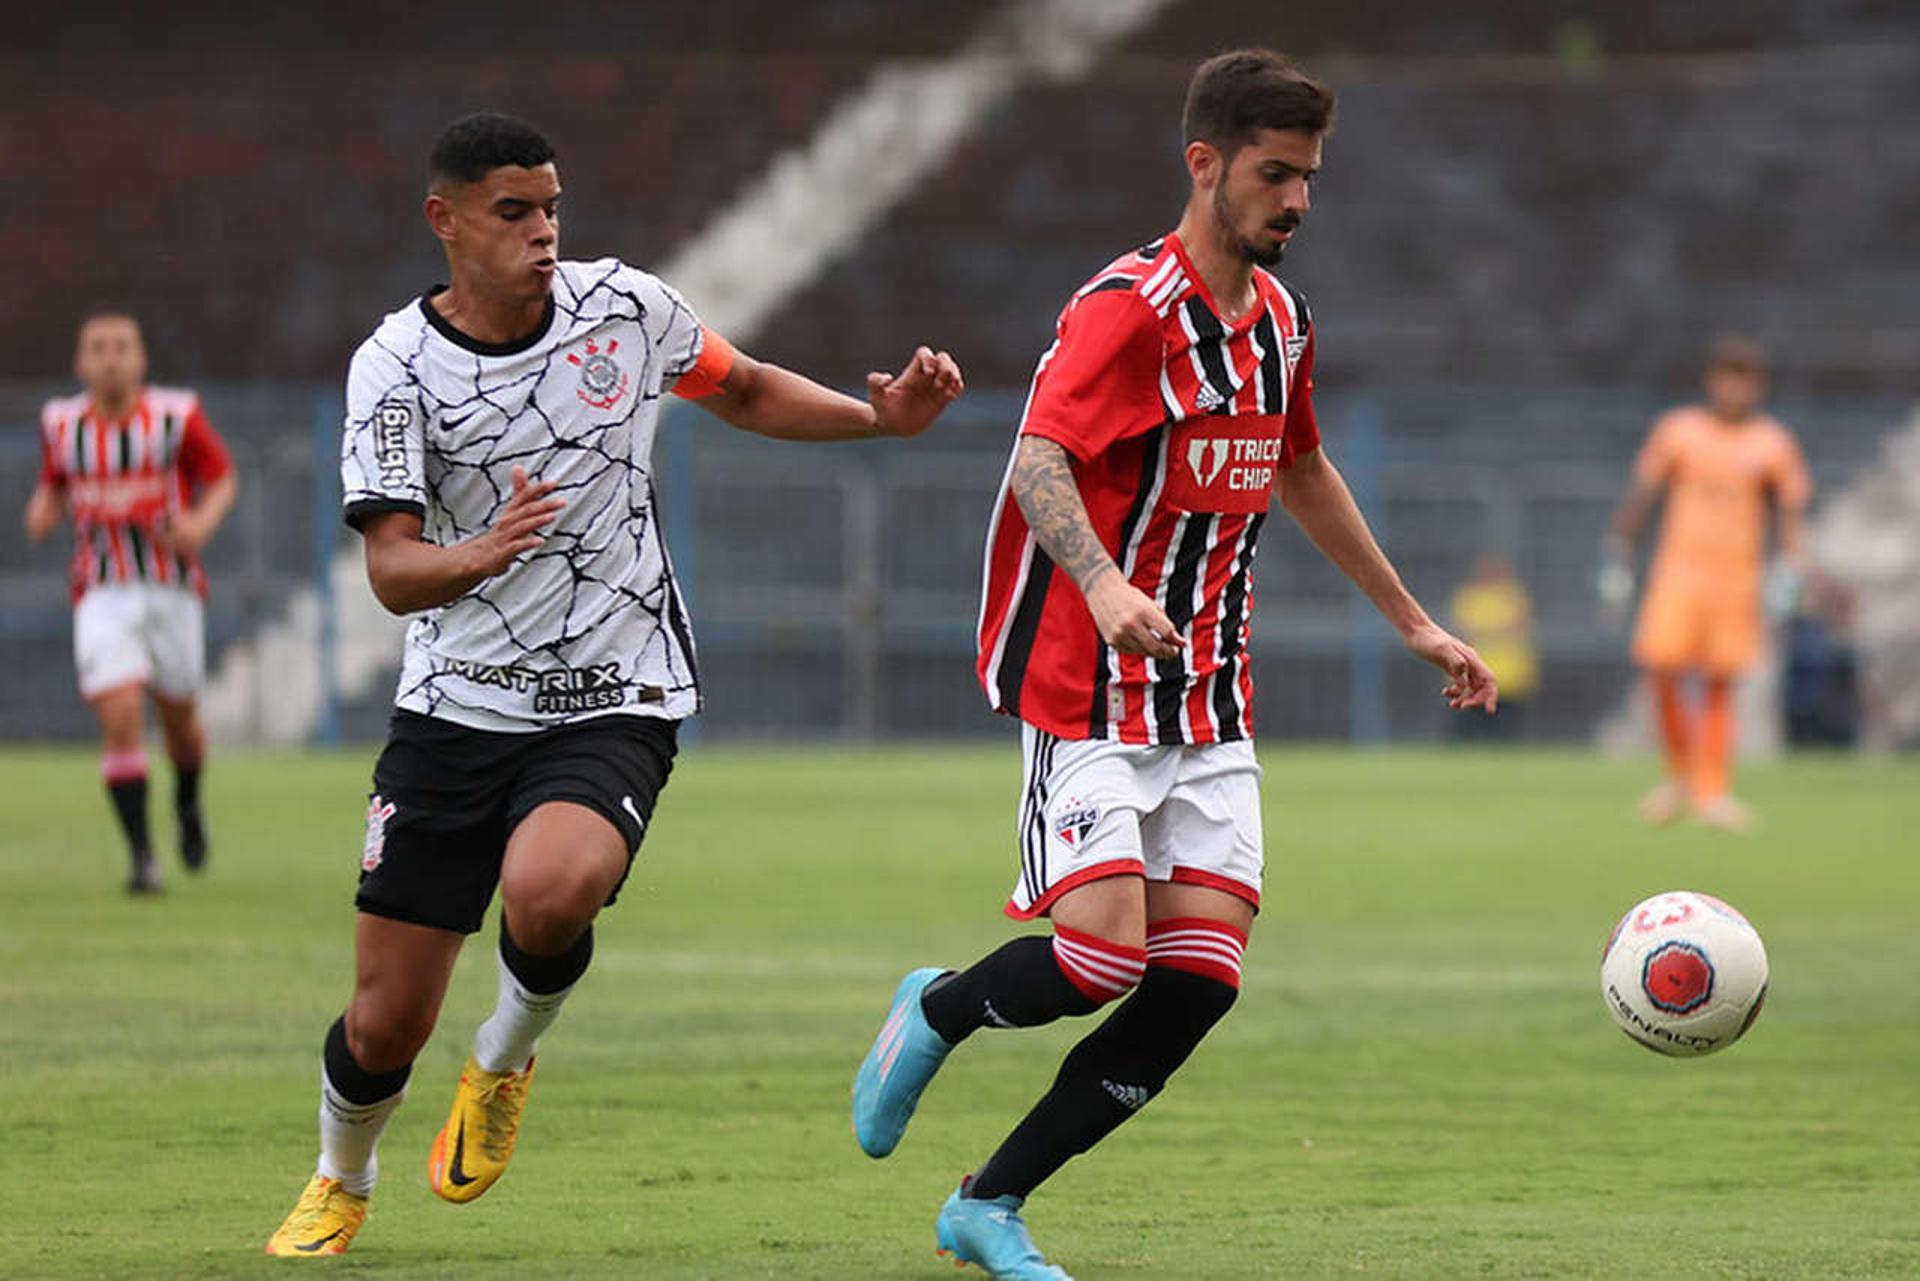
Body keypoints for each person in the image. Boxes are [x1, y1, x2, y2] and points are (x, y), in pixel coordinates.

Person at [264, 112, 962, 1257]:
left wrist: (875, 420)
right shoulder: (395, 366)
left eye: (551, 209)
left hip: (614, 686)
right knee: (386, 1018)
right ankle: (343, 1177)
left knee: (553, 887)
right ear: (444, 221)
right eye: (512, 213)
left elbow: (740, 387)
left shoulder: (624, 311)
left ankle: (503, 1057)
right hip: (453, 705)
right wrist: (474, 556)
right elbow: (392, 569)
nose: (542, 233)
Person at [850, 51, 1496, 1280]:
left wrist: (1413, 620)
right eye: (1273, 174)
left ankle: (988, 1203)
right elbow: (1041, 457)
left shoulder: (1285, 323)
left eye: (1309, 178)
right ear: (1204, 164)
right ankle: (937, 1009)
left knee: (1198, 981)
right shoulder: (1126, 310)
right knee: (1098, 959)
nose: (1296, 201)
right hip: (1087, 684)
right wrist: (1101, 581)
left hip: (1207, 695)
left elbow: (1299, 468)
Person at [23, 309, 238, 894]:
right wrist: (44, 508)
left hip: (170, 587)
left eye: (121, 346)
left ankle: (188, 805)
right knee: (119, 716)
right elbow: (55, 480)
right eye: (98, 347)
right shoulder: (62, 424)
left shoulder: (175, 417)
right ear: (80, 362)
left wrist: (199, 521)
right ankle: (143, 859)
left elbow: (221, 476)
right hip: (101, 589)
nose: (111, 357)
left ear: (140, 359)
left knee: (180, 724)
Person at [1603, 336, 1810, 830]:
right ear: (1712, 380)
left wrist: (1790, 568)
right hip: (1679, 571)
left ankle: (1711, 791)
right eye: (1726, 377)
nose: (1734, 390)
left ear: (1757, 387)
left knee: (1721, 682)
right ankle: (1679, 775)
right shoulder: (1679, 431)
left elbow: (1788, 512)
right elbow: (1644, 495)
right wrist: (1617, 556)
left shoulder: (1772, 442)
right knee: (1661, 666)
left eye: (1744, 380)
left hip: (1736, 577)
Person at [1449, 553, 1538, 740]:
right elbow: (1460, 631)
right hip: (1470, 679)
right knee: (1464, 733)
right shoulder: (1468, 596)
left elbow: (1521, 628)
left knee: (1506, 733)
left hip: (1508, 679)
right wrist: (1499, 631)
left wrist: (1484, 632)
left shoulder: (1512, 596)